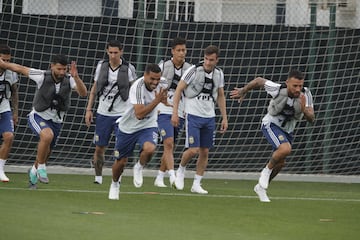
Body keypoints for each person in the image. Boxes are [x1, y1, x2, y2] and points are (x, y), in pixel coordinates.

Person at [0, 54, 87, 189]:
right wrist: (4, 65)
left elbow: (83, 93)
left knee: (46, 152)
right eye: (59, 69)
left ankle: (33, 173)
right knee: (47, 135)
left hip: (56, 120)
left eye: (64, 69)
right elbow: (20, 68)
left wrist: (76, 77)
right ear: (52, 66)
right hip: (38, 116)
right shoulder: (41, 75)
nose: (62, 72)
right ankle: (41, 168)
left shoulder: (69, 79)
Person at [230, 69, 315, 202]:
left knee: (281, 163)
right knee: (285, 149)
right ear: (287, 83)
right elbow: (259, 81)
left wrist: (304, 109)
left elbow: (312, 119)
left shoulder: (306, 94)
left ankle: (261, 188)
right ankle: (266, 171)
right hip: (271, 124)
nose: (298, 89)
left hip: (287, 131)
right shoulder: (277, 89)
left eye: (300, 85)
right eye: (294, 86)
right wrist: (243, 91)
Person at [171, 45, 228, 194]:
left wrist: (224, 118)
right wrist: (175, 112)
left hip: (209, 116)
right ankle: (181, 171)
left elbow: (221, 95)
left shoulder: (219, 74)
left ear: (217, 60)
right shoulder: (193, 71)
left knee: (205, 151)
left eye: (212, 60)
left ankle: (197, 183)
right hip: (193, 115)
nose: (208, 62)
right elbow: (178, 90)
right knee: (193, 149)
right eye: (206, 59)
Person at [108, 63, 168, 200]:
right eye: (152, 79)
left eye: (157, 79)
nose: (155, 82)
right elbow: (139, 114)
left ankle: (139, 166)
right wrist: (158, 101)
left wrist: (167, 102)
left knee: (150, 149)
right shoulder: (137, 87)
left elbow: (170, 90)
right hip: (128, 127)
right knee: (121, 162)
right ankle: (115, 184)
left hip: (148, 125)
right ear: (145, 75)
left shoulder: (163, 83)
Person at [85, 40, 136, 184]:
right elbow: (94, 89)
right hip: (103, 113)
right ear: (107, 52)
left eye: (116, 52)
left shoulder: (128, 68)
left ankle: (117, 178)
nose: (113, 56)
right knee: (100, 147)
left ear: (121, 52)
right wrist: (89, 109)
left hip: (122, 114)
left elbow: (134, 89)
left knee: (121, 148)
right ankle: (98, 177)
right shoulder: (101, 66)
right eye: (111, 52)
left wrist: (134, 111)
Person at [154, 37, 192, 188]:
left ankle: (159, 177)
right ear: (172, 51)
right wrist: (156, 103)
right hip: (163, 109)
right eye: (178, 50)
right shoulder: (163, 66)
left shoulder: (190, 69)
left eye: (184, 50)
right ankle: (172, 176)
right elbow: (153, 85)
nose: (181, 53)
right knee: (168, 143)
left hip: (180, 110)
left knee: (171, 145)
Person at [0, 44, 19, 182]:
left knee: (9, 137)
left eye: (8, 60)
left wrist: (15, 111)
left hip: (4, 106)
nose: (5, 63)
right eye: (3, 60)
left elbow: (14, 91)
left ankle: (0, 169)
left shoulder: (11, 73)